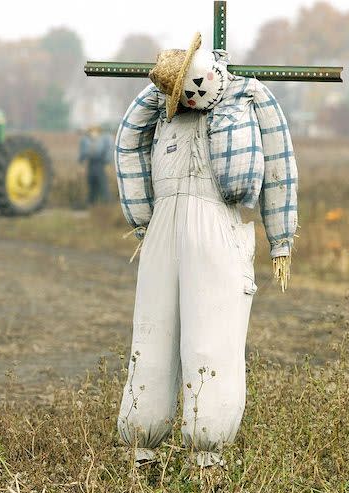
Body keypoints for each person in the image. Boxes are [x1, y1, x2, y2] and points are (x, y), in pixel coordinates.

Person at [114, 33, 298, 467]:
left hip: (220, 222)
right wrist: (142, 222)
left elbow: (280, 165)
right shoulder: (160, 109)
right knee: (152, 334)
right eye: (182, 90)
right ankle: (141, 445)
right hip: (162, 229)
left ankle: (207, 455)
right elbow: (127, 147)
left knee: (212, 339)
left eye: (195, 84)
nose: (192, 95)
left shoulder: (248, 98)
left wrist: (281, 239)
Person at [78, 125, 113, 205]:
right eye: (91, 131)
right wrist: (81, 165)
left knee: (103, 184)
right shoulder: (86, 141)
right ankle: (92, 203)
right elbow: (83, 154)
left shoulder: (103, 140)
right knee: (91, 184)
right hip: (91, 164)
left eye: (95, 131)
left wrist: (107, 164)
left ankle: (107, 203)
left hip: (100, 164)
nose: (93, 133)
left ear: (98, 132)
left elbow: (108, 152)